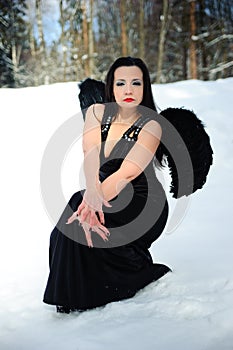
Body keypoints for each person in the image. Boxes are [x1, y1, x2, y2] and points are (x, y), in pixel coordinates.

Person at [43, 56, 211, 313]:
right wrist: (91, 194)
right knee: (75, 214)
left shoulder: (152, 124)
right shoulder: (97, 113)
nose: (129, 90)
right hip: (100, 188)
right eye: (121, 83)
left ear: (145, 88)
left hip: (143, 200)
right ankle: (75, 295)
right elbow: (90, 153)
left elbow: (127, 172)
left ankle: (134, 271)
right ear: (111, 86)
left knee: (84, 210)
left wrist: (93, 201)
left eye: (136, 83)